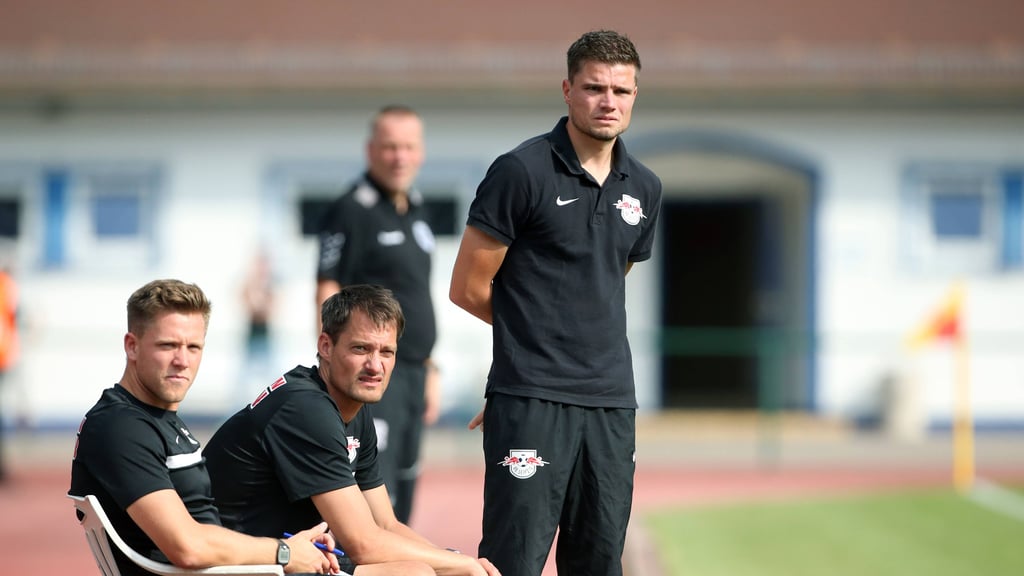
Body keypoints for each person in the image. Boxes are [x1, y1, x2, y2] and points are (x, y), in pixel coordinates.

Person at [448, 30, 663, 576]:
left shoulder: (645, 186)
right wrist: (526, 365)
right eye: (594, 87)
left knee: (599, 561)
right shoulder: (521, 172)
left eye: (622, 90)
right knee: (512, 560)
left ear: (636, 95)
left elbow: (605, 283)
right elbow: (468, 287)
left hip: (611, 403)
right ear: (568, 90)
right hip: (532, 400)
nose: (608, 101)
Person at [204, 285, 499, 576]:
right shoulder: (305, 409)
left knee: (424, 569)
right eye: (361, 348)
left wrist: (455, 561)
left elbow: (385, 524)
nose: (375, 365)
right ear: (326, 346)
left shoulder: (353, 407)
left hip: (289, 559)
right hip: (239, 563)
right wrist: (463, 566)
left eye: (387, 352)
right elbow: (363, 544)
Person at [69, 279, 341, 576]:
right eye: (168, 345)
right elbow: (187, 547)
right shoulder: (119, 427)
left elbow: (202, 530)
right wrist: (284, 552)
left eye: (193, 347)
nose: (182, 361)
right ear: (132, 347)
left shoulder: (154, 419)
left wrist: (296, 543)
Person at [315, 104, 440, 523]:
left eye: (407, 147)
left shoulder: (418, 209)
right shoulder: (351, 209)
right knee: (373, 494)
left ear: (420, 152)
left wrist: (430, 367)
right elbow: (327, 286)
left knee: (405, 486)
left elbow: (417, 294)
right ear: (371, 151)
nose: (399, 157)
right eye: (389, 147)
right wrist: (333, 365)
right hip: (373, 373)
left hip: (416, 373)